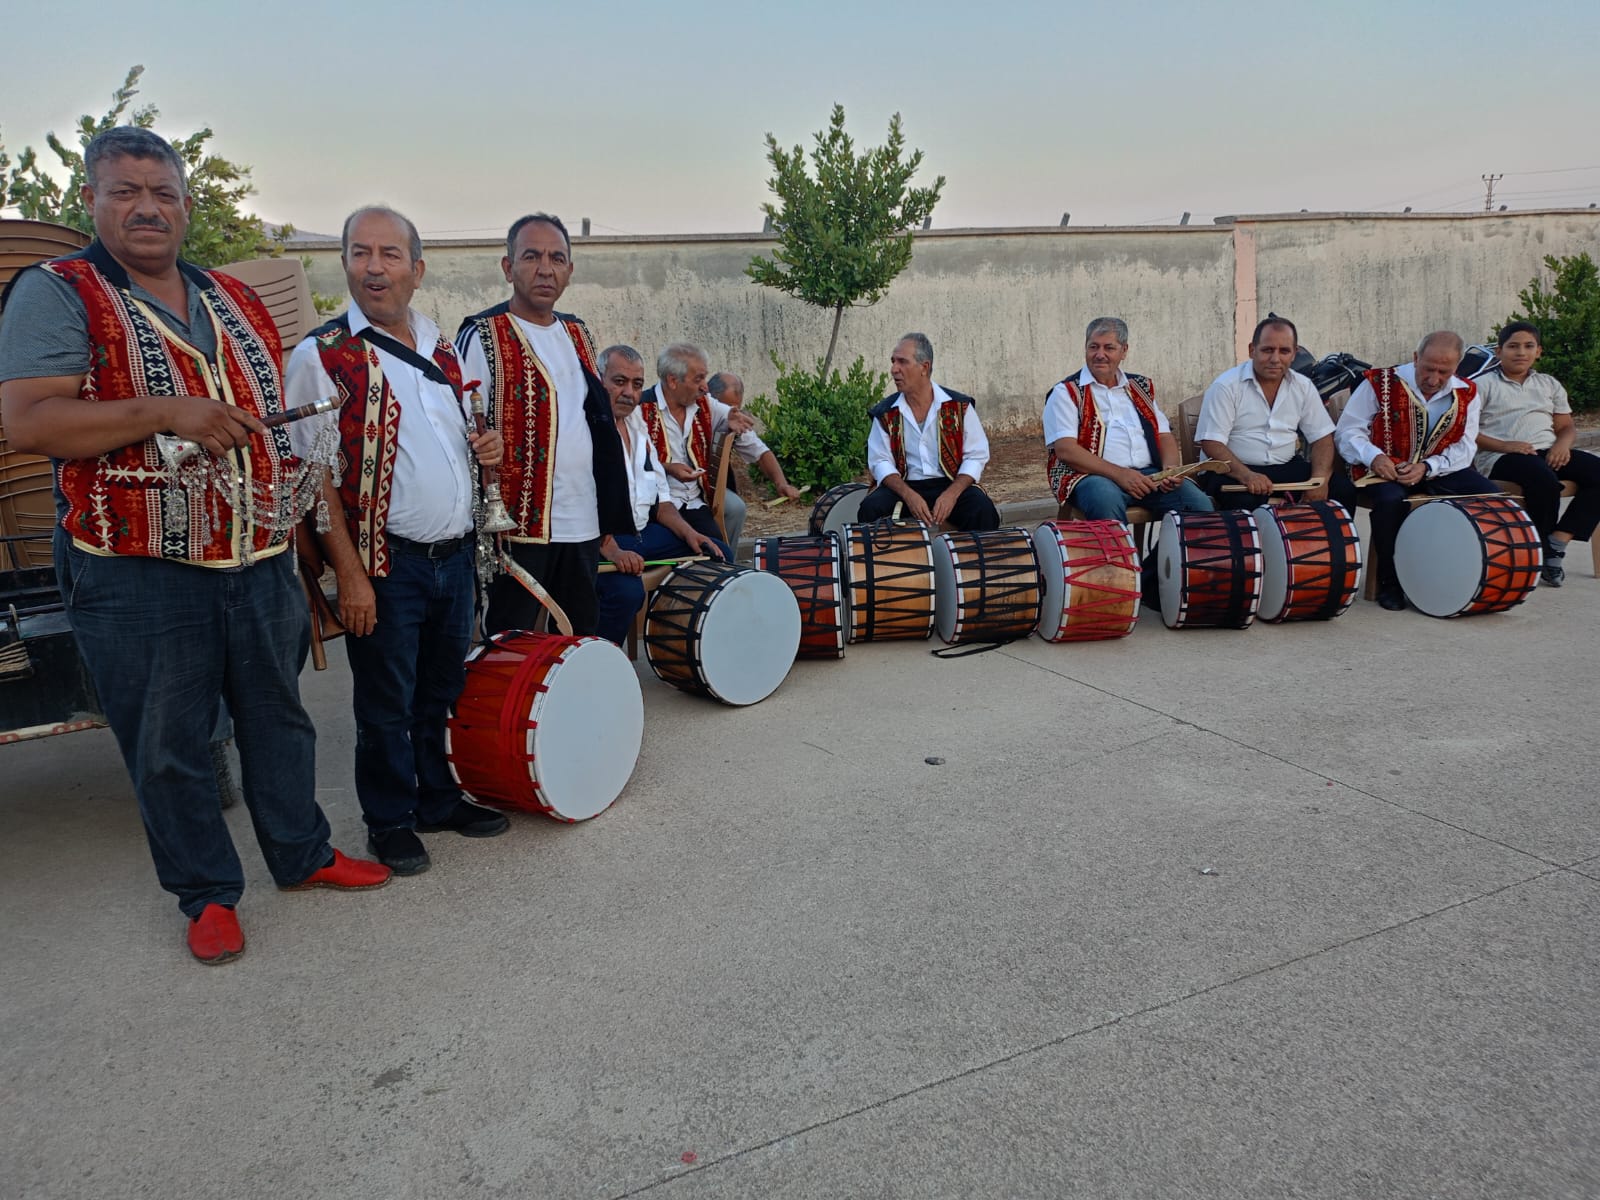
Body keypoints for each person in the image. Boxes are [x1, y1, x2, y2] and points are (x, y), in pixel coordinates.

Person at [0, 128, 389, 964]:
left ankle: (303, 853)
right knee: (170, 740)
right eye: (124, 191)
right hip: (135, 571)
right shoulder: (58, 291)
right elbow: (28, 421)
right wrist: (167, 410)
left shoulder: (234, 299)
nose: (146, 207)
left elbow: (281, 435)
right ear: (91, 202)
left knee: (279, 718)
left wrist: (324, 552)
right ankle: (206, 895)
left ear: (185, 203)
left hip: (255, 559)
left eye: (163, 192)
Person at [285, 205, 509, 877]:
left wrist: (486, 449)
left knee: (438, 691)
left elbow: (454, 445)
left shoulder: (440, 348)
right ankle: (389, 820)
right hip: (387, 564)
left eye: (388, 255)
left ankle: (437, 800)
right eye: (359, 252)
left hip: (455, 555)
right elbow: (313, 483)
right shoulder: (321, 355)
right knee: (384, 705)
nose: (372, 267)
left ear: (416, 270)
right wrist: (347, 576)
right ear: (346, 263)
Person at [455, 213, 632, 636]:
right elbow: (459, 423)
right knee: (510, 635)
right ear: (508, 267)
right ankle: (508, 705)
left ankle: (568, 704)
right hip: (515, 523)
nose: (545, 268)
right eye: (531, 256)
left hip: (581, 517)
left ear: (570, 270)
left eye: (556, 258)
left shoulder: (578, 333)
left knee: (576, 632)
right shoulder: (482, 334)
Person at [1335, 330, 1499, 610]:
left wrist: (1428, 467)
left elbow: (1465, 447)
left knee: (1491, 497)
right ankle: (1390, 582)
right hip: (1384, 469)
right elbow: (1348, 432)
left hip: (1437, 469)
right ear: (1415, 358)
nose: (1434, 379)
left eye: (1443, 372)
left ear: (1456, 367)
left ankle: (1474, 577)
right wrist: (1375, 458)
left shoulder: (1467, 392)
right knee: (1390, 501)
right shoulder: (1379, 382)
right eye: (1428, 369)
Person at [593, 345, 730, 645]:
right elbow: (577, 506)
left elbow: (661, 503)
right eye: (619, 382)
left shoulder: (638, 426)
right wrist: (613, 550)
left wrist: (690, 533)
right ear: (598, 379)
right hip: (601, 544)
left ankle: (690, 649)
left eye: (637, 384)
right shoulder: (586, 431)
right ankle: (599, 665)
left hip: (642, 535)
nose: (629, 392)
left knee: (718, 553)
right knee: (626, 592)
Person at [1044, 317, 1213, 521]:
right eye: (1093, 347)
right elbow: (1066, 450)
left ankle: (1156, 556)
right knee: (1105, 500)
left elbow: (1164, 435)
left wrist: (1170, 469)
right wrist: (1120, 475)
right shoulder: (1066, 392)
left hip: (1149, 476)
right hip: (1091, 477)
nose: (1100, 355)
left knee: (1200, 506)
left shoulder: (1139, 386)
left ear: (1124, 351)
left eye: (1109, 348)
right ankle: (1118, 554)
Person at [638, 343, 801, 555]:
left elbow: (755, 447)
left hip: (695, 503)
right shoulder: (639, 409)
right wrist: (668, 468)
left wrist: (781, 483)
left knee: (721, 556)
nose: (705, 387)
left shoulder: (705, 404)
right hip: (656, 508)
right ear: (672, 380)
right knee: (697, 557)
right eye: (698, 379)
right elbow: (630, 466)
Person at [1473, 321, 1599, 586]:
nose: (1521, 352)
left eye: (1528, 346)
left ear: (1538, 351)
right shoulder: (1482, 386)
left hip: (1547, 451)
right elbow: (1467, 433)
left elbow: (1565, 426)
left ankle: (1556, 542)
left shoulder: (1548, 384)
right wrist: (1507, 446)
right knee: (1542, 478)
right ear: (1499, 351)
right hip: (1500, 457)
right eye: (1513, 346)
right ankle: (1539, 549)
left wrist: (1562, 445)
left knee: (1596, 470)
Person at [1195, 315, 1350, 510]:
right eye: (1267, 350)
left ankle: (1327, 542)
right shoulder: (1226, 387)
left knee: (1343, 492)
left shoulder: (1303, 386)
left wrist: (1319, 480)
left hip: (1285, 466)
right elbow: (1211, 443)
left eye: (1284, 351)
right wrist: (1247, 475)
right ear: (1252, 350)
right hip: (1232, 471)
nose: (1275, 359)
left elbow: (1322, 438)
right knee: (1247, 504)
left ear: (1294, 353)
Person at [858, 333, 1000, 530]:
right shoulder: (885, 413)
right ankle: (889, 561)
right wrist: (909, 496)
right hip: (904, 486)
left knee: (981, 508)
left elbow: (976, 456)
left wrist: (952, 493)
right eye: (893, 362)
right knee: (871, 508)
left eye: (902, 362)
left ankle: (978, 560)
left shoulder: (959, 406)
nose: (894, 370)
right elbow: (880, 462)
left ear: (924, 367)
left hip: (950, 482)